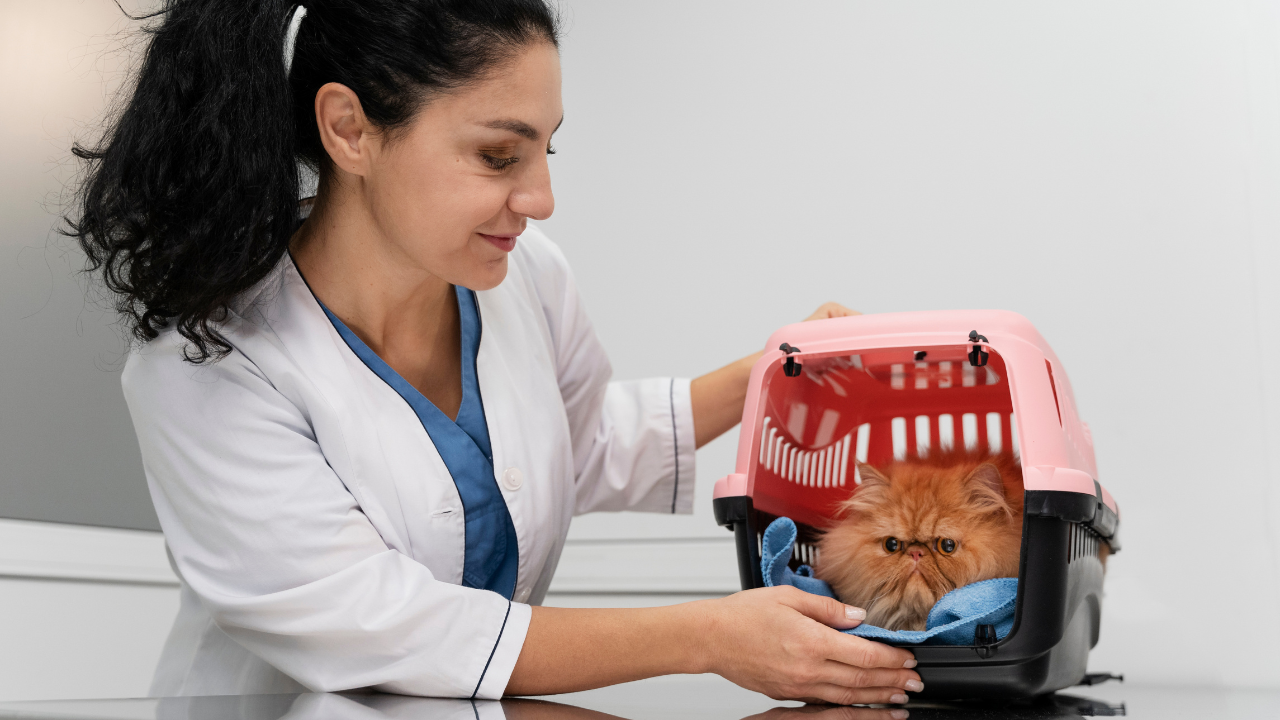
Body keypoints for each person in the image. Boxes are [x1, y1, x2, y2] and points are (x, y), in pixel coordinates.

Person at [66, 0, 923, 705]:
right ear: (349, 130)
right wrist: (707, 637)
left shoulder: (523, 278)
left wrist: (776, 370)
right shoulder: (210, 366)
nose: (541, 198)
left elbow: (579, 439)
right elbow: (389, 625)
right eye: (497, 154)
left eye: (546, 150)